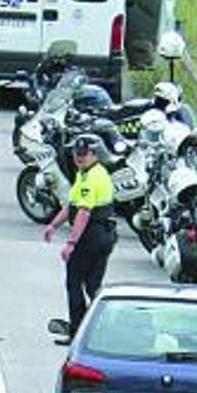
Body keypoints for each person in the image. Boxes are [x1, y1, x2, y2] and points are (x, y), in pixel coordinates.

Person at [43, 135, 117, 343]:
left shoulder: (91, 178)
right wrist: (54, 225)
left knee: (74, 282)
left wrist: (71, 243)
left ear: (94, 154)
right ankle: (102, 331)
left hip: (90, 237)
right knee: (93, 286)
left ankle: (78, 333)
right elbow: (71, 206)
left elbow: (83, 212)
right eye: (77, 154)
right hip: (105, 235)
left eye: (84, 155)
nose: (79, 158)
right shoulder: (91, 173)